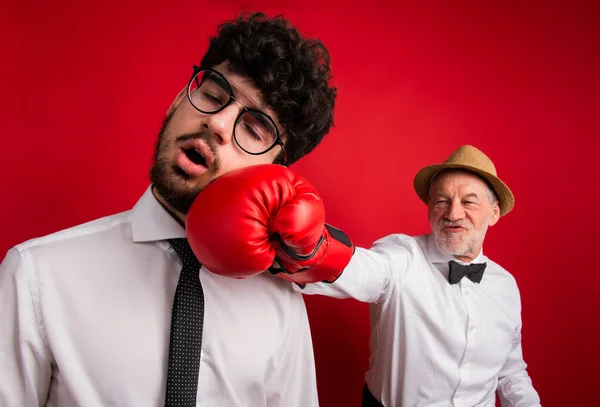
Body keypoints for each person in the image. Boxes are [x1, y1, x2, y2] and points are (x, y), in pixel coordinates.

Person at [0, 12, 342, 407]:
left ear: (274, 174)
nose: (217, 122)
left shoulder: (280, 304)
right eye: (214, 94)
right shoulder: (35, 276)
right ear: (179, 99)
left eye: (253, 128)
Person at [298, 145, 542, 406]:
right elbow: (363, 269)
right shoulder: (402, 256)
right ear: (429, 208)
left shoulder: (505, 286)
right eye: (441, 201)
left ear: (493, 213)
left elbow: (510, 372)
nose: (453, 214)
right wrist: (303, 246)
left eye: (469, 201)